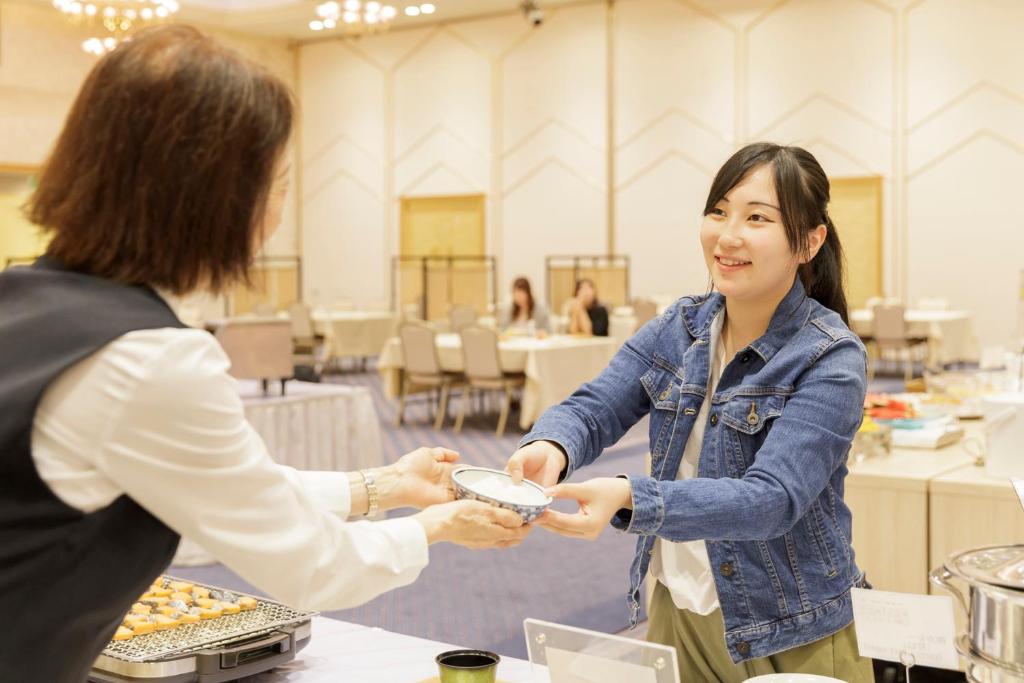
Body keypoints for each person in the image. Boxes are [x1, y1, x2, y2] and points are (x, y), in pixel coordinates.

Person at [0, 25, 528, 682]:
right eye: (278, 184)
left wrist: (382, 487)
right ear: (213, 197)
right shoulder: (150, 360)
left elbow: (225, 485)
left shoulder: (23, 298)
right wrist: (438, 524)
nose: (277, 214)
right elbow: (314, 565)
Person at [507, 143, 873, 681]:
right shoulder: (682, 326)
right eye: (719, 211)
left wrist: (634, 496)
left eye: (757, 218)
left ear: (809, 241)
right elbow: (595, 407)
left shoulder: (830, 356)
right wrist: (551, 446)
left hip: (793, 628)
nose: (728, 236)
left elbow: (771, 499)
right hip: (679, 609)